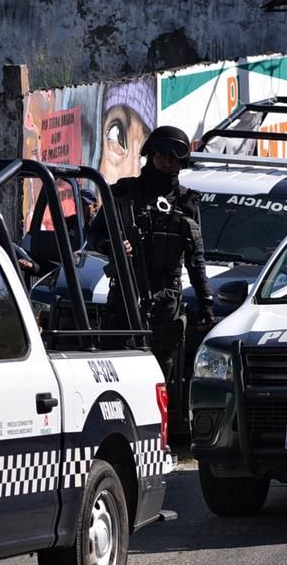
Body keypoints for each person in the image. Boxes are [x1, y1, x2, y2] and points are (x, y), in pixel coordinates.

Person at [88, 125, 214, 380]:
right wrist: (112, 246)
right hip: (126, 292)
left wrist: (206, 301)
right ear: (150, 155)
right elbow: (95, 234)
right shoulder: (124, 193)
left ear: (181, 162)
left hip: (166, 299)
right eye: (161, 156)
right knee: (120, 366)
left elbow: (195, 259)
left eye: (172, 159)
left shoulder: (186, 202)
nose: (166, 162)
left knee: (160, 370)